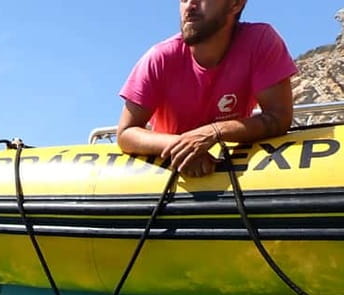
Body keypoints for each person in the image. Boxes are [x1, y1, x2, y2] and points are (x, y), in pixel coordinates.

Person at [117, 0, 298, 177]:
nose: (189, 5)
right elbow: (126, 133)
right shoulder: (160, 58)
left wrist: (213, 132)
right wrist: (182, 146)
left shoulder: (260, 41)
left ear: (235, 4)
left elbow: (278, 117)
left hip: (233, 173)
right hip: (170, 181)